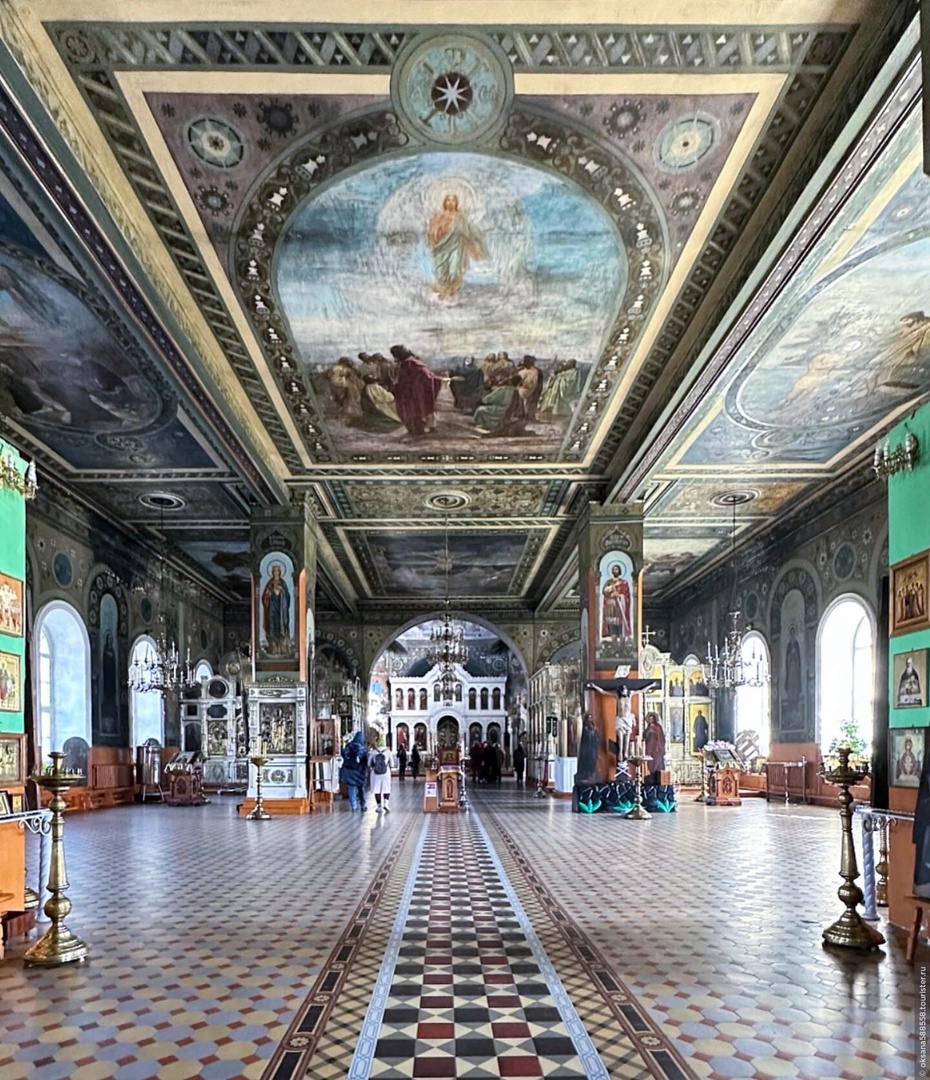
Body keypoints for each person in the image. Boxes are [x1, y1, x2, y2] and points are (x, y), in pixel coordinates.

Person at [426, 193, 486, 299]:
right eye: (448, 200)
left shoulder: (460, 218)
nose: (450, 202)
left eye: (453, 200)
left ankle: (451, 291)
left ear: (456, 203)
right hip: (441, 247)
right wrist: (436, 232)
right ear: (444, 202)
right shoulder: (439, 216)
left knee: (453, 270)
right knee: (441, 272)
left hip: (455, 247)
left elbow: (468, 230)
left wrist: (478, 235)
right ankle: (444, 290)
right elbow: (432, 230)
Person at [389, 344, 442, 437]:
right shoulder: (411, 362)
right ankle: (417, 429)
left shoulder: (410, 363)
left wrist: (400, 387)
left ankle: (417, 430)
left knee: (411, 411)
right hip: (412, 391)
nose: (394, 357)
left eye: (395, 355)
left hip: (413, 392)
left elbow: (411, 378)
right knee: (413, 410)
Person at [262, 562, 292, 656]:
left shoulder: (283, 583)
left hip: (281, 608)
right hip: (272, 608)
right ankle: (273, 647)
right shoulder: (270, 583)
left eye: (277, 571)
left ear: (280, 572)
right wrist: (269, 593)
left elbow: (287, 597)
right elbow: (264, 597)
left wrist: (282, 591)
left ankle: (282, 647)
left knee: (281, 626)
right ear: (272, 572)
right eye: (274, 571)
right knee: (272, 626)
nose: (276, 572)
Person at [601, 563, 631, 641]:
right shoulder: (609, 582)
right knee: (611, 624)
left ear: (619, 571)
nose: (615, 571)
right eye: (613, 569)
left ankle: (622, 641)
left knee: (620, 623)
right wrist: (611, 590)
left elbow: (626, 595)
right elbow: (604, 591)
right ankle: (613, 640)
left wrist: (620, 596)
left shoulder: (623, 582)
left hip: (620, 607)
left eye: (616, 569)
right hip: (610, 606)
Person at [340, 731, 368, 811]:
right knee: (361, 788)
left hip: (349, 771)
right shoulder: (363, 748)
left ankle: (354, 805)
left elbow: (344, 755)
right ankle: (363, 805)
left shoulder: (349, 746)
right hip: (360, 772)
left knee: (351, 788)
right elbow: (365, 760)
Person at [368, 740, 394, 813]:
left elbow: (369, 764)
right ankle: (386, 804)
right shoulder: (388, 752)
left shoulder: (373, 752)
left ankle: (379, 806)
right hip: (386, 772)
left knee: (377, 790)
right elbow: (392, 764)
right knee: (386, 788)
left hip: (375, 773)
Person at [643, 711, 666, 788]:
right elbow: (644, 736)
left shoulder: (658, 727)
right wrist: (648, 732)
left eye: (652, 719)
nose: (651, 720)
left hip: (656, 748)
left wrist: (654, 733)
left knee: (657, 761)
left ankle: (657, 776)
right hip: (649, 747)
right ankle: (651, 774)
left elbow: (661, 737)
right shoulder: (648, 727)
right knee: (650, 762)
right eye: (649, 719)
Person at [614, 688, 634, 763]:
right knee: (620, 737)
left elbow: (642, 690)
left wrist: (651, 685)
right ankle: (620, 753)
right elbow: (603, 691)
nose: (624, 692)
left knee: (627, 737)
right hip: (620, 719)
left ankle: (625, 752)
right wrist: (594, 686)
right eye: (622, 690)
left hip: (627, 719)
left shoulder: (630, 695)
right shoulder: (617, 697)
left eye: (625, 690)